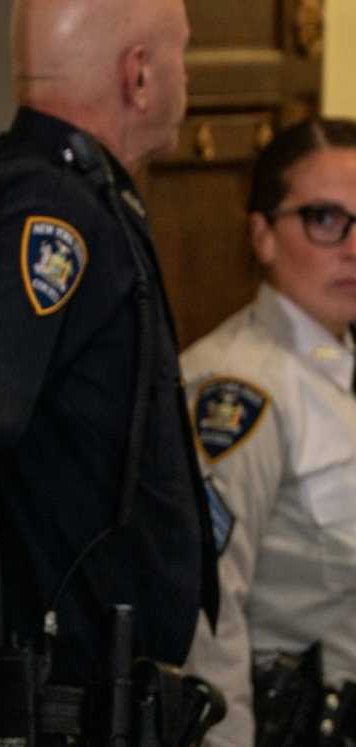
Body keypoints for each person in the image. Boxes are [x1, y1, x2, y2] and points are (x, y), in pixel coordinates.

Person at [0, 0, 220, 744]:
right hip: (48, 706)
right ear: (140, 74)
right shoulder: (45, 215)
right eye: (181, 53)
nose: (186, 75)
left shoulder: (51, 189)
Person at [182, 119, 356, 746]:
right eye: (325, 220)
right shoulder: (235, 389)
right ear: (262, 234)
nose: (353, 247)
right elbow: (209, 614)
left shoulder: (340, 369)